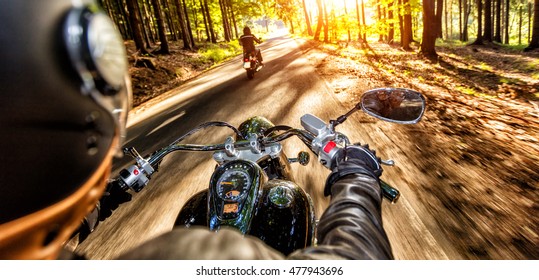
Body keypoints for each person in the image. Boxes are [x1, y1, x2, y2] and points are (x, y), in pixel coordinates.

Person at [0, 0, 393, 260]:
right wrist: (357, 177)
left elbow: (74, 224)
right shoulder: (187, 256)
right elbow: (355, 259)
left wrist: (113, 193)